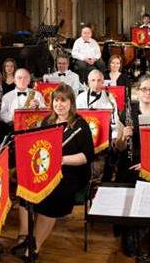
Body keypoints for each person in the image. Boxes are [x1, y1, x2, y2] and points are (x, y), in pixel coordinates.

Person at [15, 84, 95, 261]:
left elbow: (87, 156)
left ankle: (34, 247)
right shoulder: (48, 121)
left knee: (50, 197)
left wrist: (62, 160)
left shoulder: (80, 125)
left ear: (71, 103)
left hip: (71, 173)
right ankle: (24, 237)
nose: (59, 105)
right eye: (56, 101)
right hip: (48, 169)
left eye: (63, 101)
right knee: (25, 191)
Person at [111, 76, 150, 257]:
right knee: (130, 184)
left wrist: (148, 164)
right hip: (129, 161)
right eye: (144, 89)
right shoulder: (126, 113)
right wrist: (123, 137)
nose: (147, 93)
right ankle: (129, 236)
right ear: (138, 91)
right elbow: (119, 147)